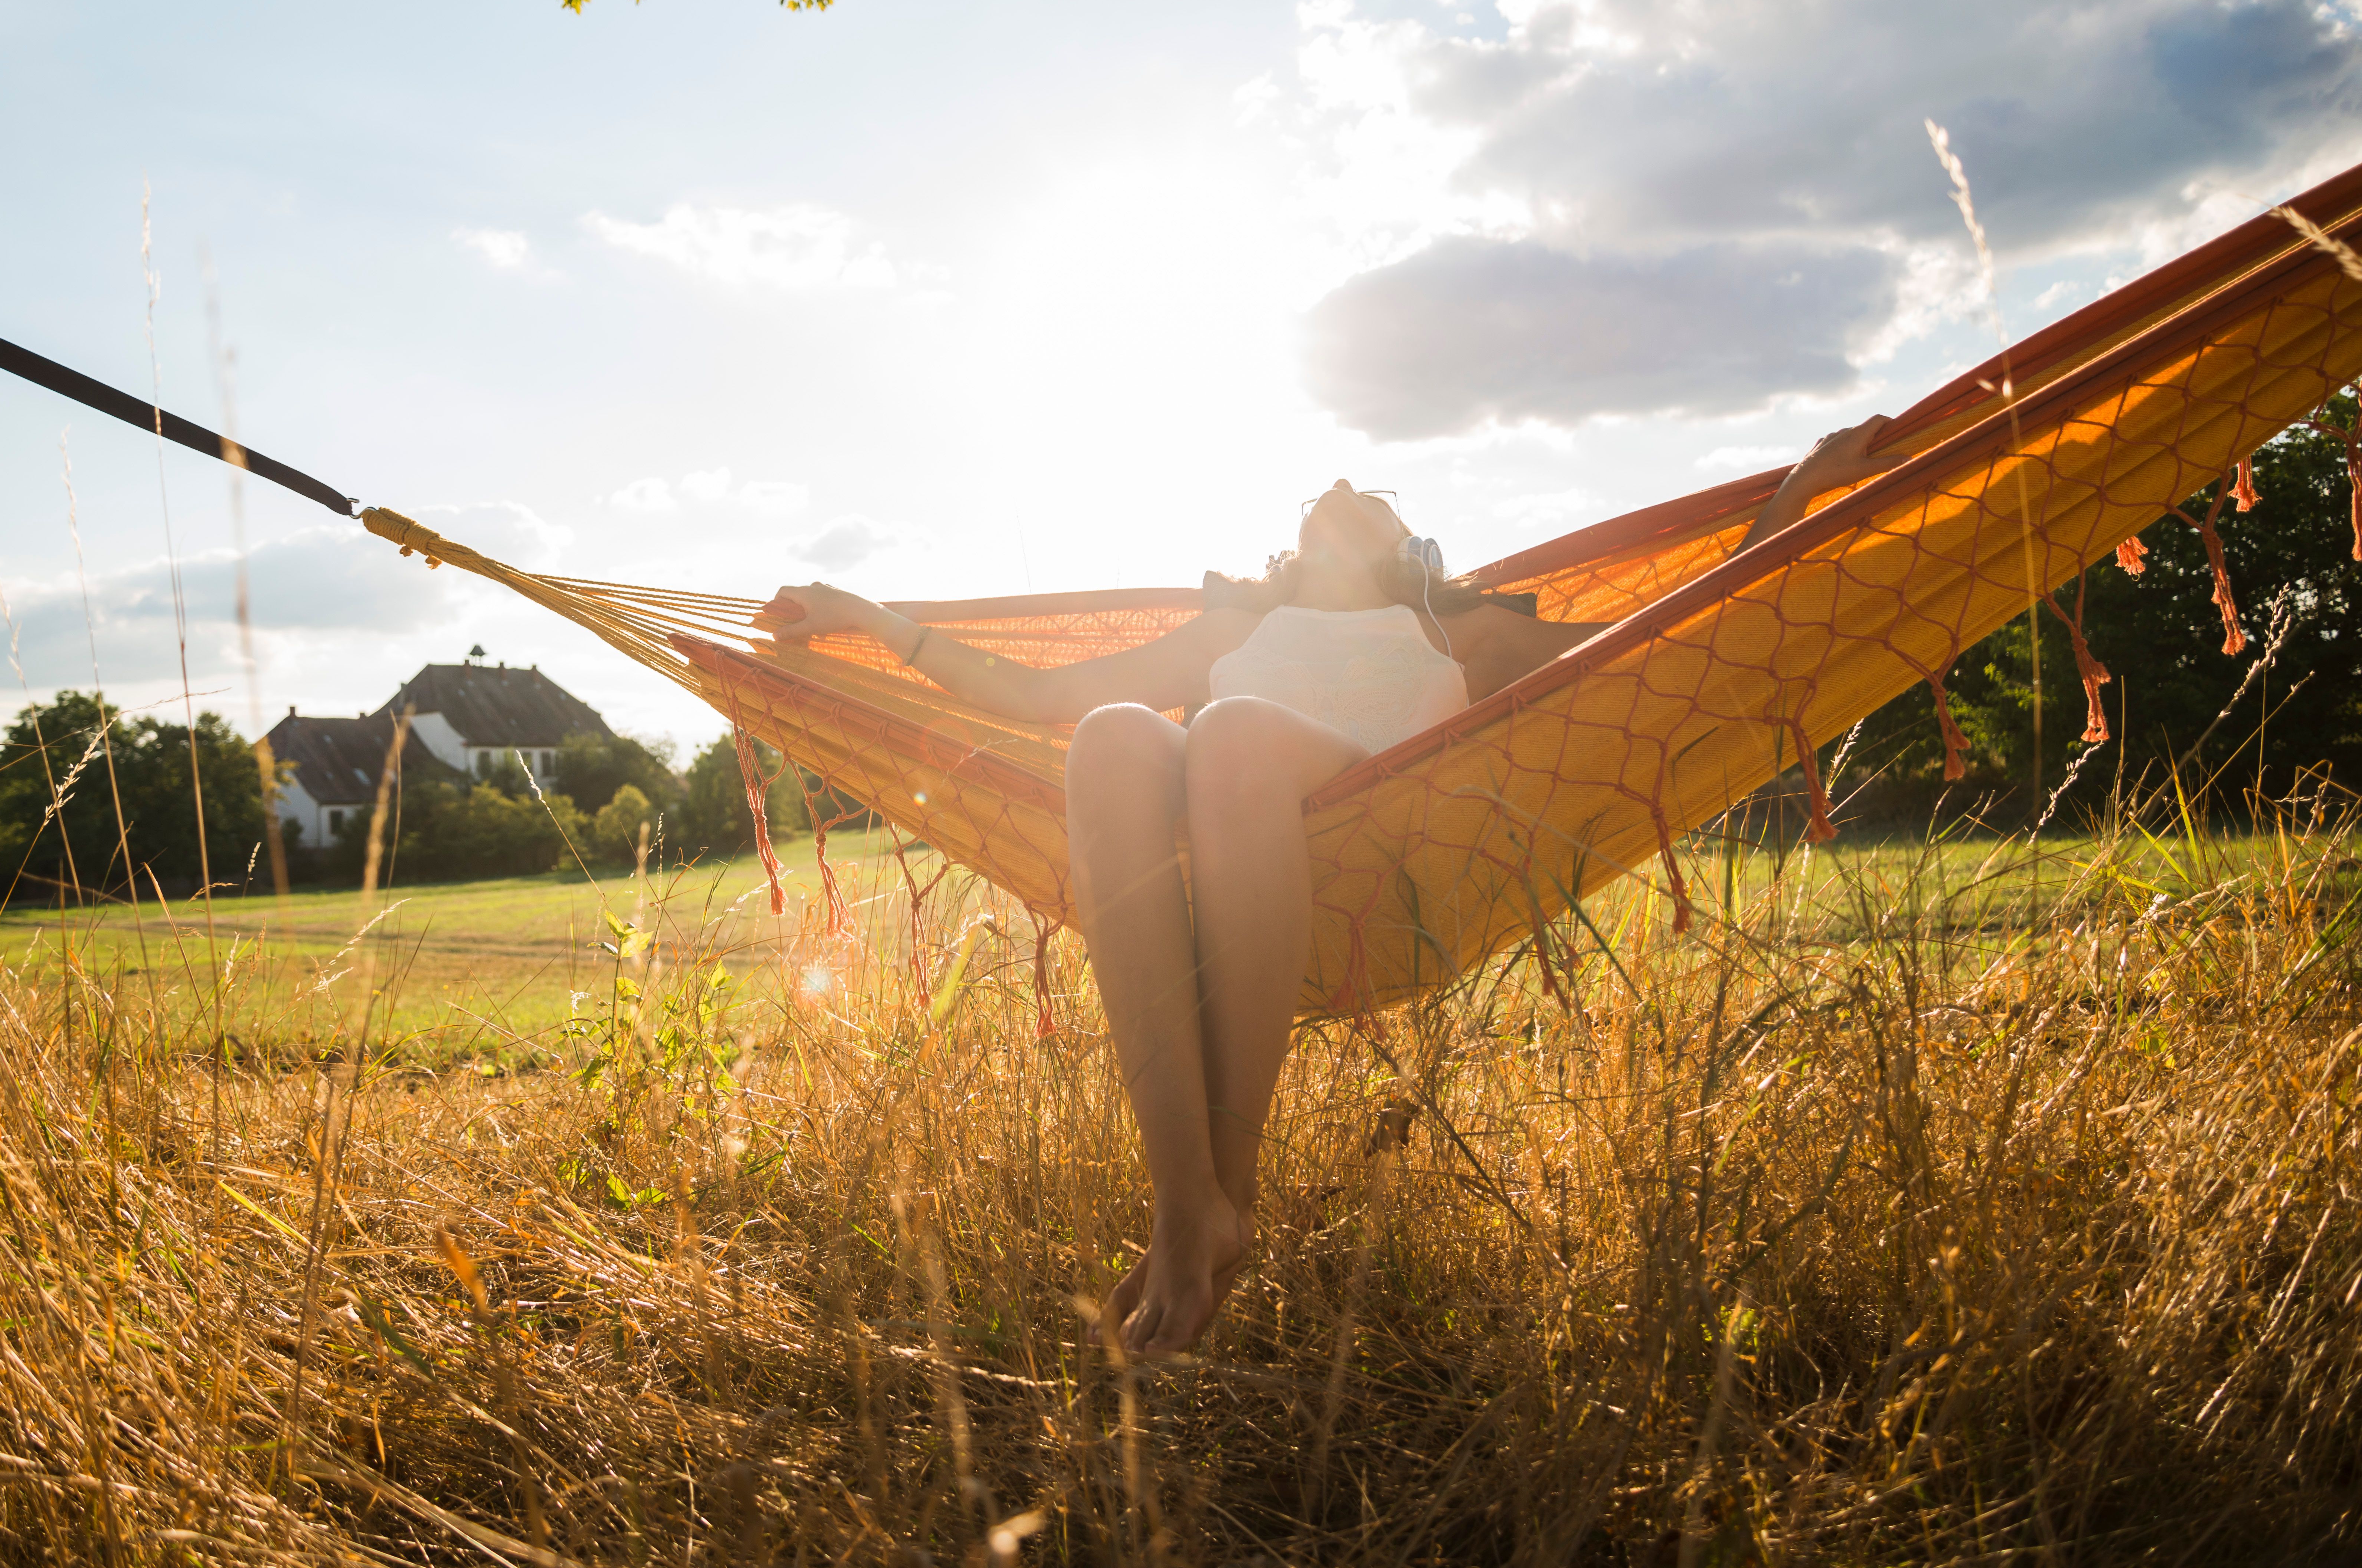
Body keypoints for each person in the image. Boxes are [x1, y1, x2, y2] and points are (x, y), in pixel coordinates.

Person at [764, 417, 1900, 1355]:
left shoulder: (1468, 632)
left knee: (1236, 735)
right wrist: (864, 617)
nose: (1346, 483)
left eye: (1378, 493)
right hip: (1224, 842)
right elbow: (1026, 694)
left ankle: (1229, 1189)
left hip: (1379, 836)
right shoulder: (1226, 631)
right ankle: (1184, 1204)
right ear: (1290, 552)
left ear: (1418, 550)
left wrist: (1798, 495)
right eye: (1327, 487)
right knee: (1112, 734)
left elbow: (1680, 637)